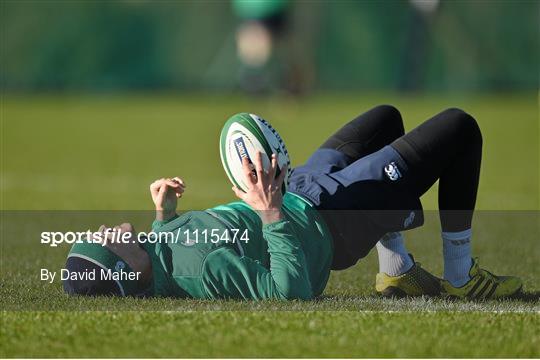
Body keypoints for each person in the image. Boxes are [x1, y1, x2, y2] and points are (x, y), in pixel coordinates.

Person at [63, 105, 522, 300]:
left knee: (385, 119)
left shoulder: (156, 251)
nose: (99, 233)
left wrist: (164, 215)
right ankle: (461, 277)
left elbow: (164, 253)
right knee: (460, 129)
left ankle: (396, 272)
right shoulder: (204, 270)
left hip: (301, 189)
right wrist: (270, 213)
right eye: (99, 243)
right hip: (330, 221)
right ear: (122, 270)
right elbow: (288, 292)